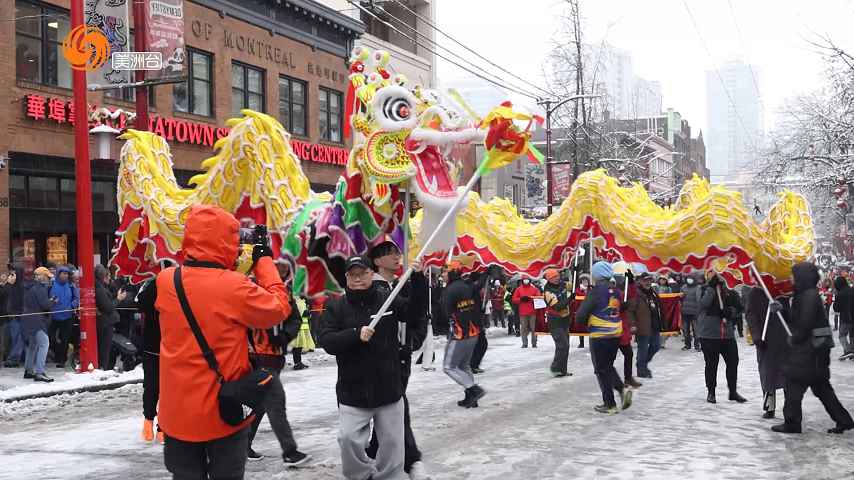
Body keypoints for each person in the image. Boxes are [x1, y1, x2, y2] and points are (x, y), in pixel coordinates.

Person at [155, 205, 291, 480]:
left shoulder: (166, 280)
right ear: (227, 242)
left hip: (177, 413)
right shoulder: (233, 286)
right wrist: (263, 261)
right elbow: (278, 307)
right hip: (221, 411)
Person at [320, 255, 408, 480]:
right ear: (347, 277)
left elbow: (413, 312)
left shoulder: (387, 299)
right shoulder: (335, 305)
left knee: (392, 444)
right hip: (353, 390)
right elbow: (327, 340)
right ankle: (362, 476)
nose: (358, 278)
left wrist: (415, 278)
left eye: (363, 273)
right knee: (348, 439)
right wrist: (355, 334)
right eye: (353, 274)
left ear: (372, 274)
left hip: (387, 387)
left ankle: (390, 476)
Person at [365, 240, 430, 480]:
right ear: (377, 260)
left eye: (397, 252)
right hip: (377, 357)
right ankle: (412, 460)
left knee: (392, 407)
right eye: (390, 253)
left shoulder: (403, 283)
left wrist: (420, 278)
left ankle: (372, 450)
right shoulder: (370, 286)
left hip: (400, 356)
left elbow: (416, 312)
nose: (396, 257)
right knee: (396, 407)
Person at [772, 262, 854, 435]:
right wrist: (783, 311)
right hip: (813, 353)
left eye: (794, 275)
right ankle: (844, 420)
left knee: (794, 386)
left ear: (802, 276)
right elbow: (798, 319)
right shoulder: (805, 294)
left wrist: (795, 338)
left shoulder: (809, 295)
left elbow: (805, 323)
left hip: (808, 352)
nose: (791, 278)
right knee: (822, 389)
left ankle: (792, 423)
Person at [246, 264, 311, 467]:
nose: (282, 269)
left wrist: (284, 336)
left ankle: (242, 443)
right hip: (255, 356)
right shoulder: (250, 286)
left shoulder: (285, 290)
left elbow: (294, 319)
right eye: (277, 265)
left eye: (285, 266)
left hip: (275, 357)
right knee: (274, 403)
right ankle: (290, 451)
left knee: (261, 405)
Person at [575, 261, 632, 414]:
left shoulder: (595, 292)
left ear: (597, 275)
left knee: (601, 370)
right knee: (608, 366)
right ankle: (621, 390)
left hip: (600, 334)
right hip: (615, 333)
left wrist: (583, 322)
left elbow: (581, 314)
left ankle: (610, 404)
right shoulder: (617, 291)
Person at [696, 272, 747, 404]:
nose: (716, 276)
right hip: (709, 334)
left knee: (733, 362)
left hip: (727, 334)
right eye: (712, 273)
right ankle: (711, 392)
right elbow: (702, 305)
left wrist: (731, 312)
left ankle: (733, 391)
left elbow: (740, 308)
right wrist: (712, 289)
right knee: (711, 364)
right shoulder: (702, 289)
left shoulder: (729, 291)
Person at [442, 261, 487, 409]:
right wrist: (485, 273)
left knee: (449, 367)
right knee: (464, 365)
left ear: (451, 273)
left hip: (460, 333)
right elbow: (478, 285)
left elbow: (446, 313)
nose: (442, 275)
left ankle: (473, 390)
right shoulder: (467, 285)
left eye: (444, 272)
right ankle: (471, 398)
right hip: (473, 332)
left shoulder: (450, 290)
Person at [746, 287, 787, 419]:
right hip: (765, 341)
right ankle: (769, 407)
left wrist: (782, 308)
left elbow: (792, 313)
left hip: (784, 339)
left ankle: (791, 409)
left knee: (788, 376)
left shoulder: (783, 290)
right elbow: (751, 315)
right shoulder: (755, 292)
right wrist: (757, 337)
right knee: (767, 376)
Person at [136, 276, 164, 444]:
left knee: (151, 386)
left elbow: (140, 303)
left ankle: (149, 423)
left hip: (151, 346)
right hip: (167, 346)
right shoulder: (173, 285)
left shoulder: (149, 285)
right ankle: (160, 428)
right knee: (165, 389)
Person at [22, 267, 56, 382]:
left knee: (33, 345)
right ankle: (39, 372)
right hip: (36, 320)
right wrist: (52, 301)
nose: (48, 279)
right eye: (47, 277)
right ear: (41, 277)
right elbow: (45, 305)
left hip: (28, 319)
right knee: (44, 343)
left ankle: (28, 370)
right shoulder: (40, 288)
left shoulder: (30, 287)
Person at [626, 272, 662, 378]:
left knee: (656, 346)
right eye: (645, 280)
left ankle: (642, 364)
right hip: (642, 326)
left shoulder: (652, 292)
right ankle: (641, 370)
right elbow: (630, 311)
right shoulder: (636, 294)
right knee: (643, 349)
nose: (648, 282)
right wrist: (632, 324)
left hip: (654, 325)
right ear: (640, 281)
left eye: (649, 280)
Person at [95, 264, 126, 370]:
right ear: (103, 276)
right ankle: (103, 367)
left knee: (106, 347)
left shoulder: (102, 287)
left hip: (105, 321)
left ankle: (104, 366)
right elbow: (108, 307)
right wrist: (118, 299)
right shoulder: (99, 288)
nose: (110, 278)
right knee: (104, 348)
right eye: (108, 276)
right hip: (105, 322)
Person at [543, 268, 572, 377]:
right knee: (562, 345)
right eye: (553, 278)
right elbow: (558, 307)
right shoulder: (548, 292)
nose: (556, 279)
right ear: (549, 279)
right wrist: (570, 299)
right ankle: (555, 367)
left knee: (566, 346)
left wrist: (574, 271)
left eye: (557, 276)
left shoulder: (563, 284)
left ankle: (563, 370)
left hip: (565, 319)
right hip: (555, 321)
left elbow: (574, 286)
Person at [48, 266, 79, 369]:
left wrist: (72, 306)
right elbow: (45, 297)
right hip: (53, 316)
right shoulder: (51, 284)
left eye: (67, 274)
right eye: (63, 273)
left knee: (64, 339)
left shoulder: (71, 285)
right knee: (50, 337)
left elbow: (77, 298)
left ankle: (62, 360)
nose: (65, 275)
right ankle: (56, 354)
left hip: (67, 316)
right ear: (58, 274)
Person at [617, 271, 642, 388]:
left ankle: (628, 378)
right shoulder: (607, 293)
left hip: (622, 331)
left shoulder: (622, 293)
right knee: (609, 359)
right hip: (610, 331)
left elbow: (632, 294)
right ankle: (612, 380)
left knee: (629, 354)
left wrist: (631, 282)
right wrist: (619, 307)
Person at [3, 267, 26, 368]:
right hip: (12, 316)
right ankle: (17, 357)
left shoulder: (22, 287)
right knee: (15, 338)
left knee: (19, 338)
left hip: (20, 316)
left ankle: (14, 358)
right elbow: (4, 294)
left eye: (13, 274)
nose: (11, 276)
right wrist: (8, 284)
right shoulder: (11, 286)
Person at [512, 277, 541, 348]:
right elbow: (514, 299)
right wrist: (521, 299)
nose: (526, 281)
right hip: (522, 312)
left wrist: (531, 298)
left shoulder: (534, 289)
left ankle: (534, 343)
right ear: (522, 281)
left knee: (534, 328)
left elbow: (539, 297)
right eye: (524, 279)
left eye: (527, 279)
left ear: (530, 280)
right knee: (524, 328)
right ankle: (524, 343)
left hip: (533, 312)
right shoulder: (518, 289)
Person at [832, 276, 854, 361]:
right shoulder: (852, 290)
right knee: (852, 334)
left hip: (845, 318)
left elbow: (836, 308)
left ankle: (848, 350)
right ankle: (852, 352)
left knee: (842, 335)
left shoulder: (839, 294)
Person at [681, 274, 702, 351]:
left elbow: (699, 299)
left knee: (696, 330)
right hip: (685, 312)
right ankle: (687, 345)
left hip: (695, 312)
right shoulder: (683, 287)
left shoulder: (698, 288)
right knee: (686, 330)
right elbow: (680, 298)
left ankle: (697, 345)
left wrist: (699, 310)